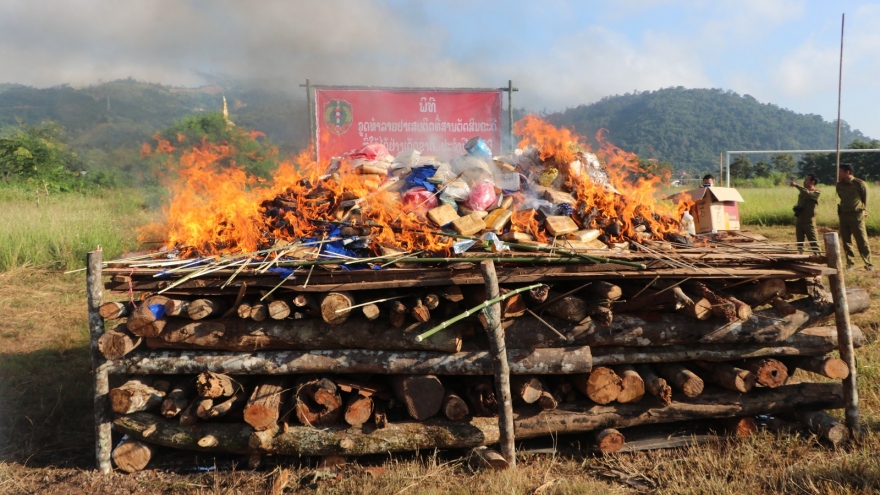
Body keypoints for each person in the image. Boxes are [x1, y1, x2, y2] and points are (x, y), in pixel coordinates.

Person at [836, 164, 874, 271]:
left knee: (861, 240)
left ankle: (869, 263)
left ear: (847, 172)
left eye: (840, 172)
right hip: (843, 215)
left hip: (856, 215)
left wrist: (864, 210)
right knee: (846, 241)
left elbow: (865, 198)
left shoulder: (859, 184)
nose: (839, 174)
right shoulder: (839, 185)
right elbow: (841, 197)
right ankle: (850, 263)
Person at [790, 174, 820, 254]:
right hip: (800, 221)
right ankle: (800, 256)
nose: (804, 181)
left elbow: (808, 194)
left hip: (809, 222)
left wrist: (797, 185)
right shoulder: (802, 193)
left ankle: (818, 256)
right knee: (800, 243)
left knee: (814, 242)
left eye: (807, 180)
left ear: (812, 182)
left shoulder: (816, 193)